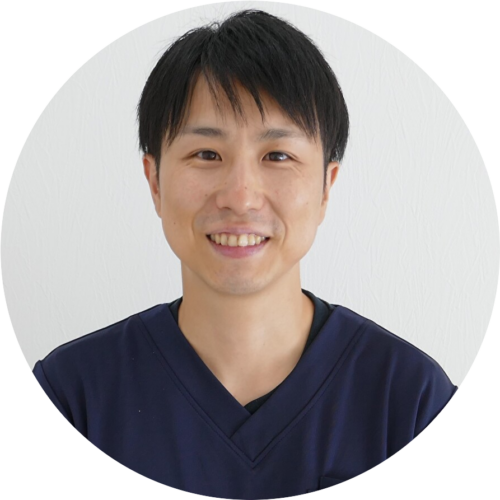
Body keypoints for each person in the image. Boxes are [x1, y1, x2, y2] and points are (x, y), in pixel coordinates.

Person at [32, 9, 457, 498]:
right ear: (154, 182)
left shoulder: (408, 402)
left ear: (326, 187)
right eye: (206, 155)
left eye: (277, 156)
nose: (240, 196)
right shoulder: (74, 396)